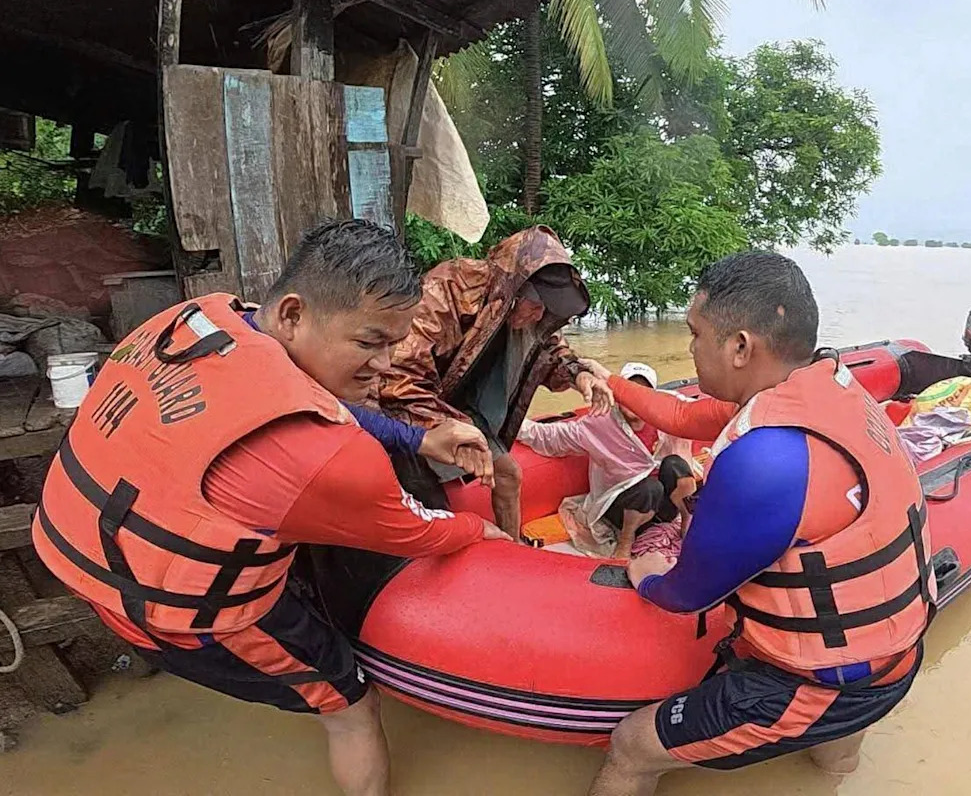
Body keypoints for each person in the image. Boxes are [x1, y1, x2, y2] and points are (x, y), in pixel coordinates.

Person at [31, 219, 511, 796]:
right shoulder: (329, 460)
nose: (386, 364)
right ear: (292, 314)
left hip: (79, 549)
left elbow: (298, 400)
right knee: (351, 703)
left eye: (394, 344)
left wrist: (417, 438)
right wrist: (480, 530)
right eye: (369, 343)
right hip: (172, 612)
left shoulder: (196, 321)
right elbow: (418, 532)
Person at [585, 251, 935, 795]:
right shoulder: (830, 390)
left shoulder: (766, 462)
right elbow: (680, 415)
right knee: (835, 757)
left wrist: (646, 573)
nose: (690, 347)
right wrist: (609, 380)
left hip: (815, 683)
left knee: (632, 746)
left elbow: (687, 595)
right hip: (897, 656)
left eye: (695, 333)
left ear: (740, 347)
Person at [375, 225, 613, 539]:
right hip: (408, 413)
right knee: (428, 510)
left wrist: (578, 374)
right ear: (515, 289)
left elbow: (550, 348)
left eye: (546, 311)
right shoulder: (450, 288)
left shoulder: (528, 316)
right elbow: (396, 377)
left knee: (509, 474)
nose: (538, 316)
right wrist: (450, 429)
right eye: (535, 306)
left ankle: (513, 549)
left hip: (464, 408)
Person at [517, 362, 698, 559]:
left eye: (640, 393)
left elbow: (696, 411)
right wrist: (508, 422)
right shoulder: (599, 422)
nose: (633, 400)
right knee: (649, 488)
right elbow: (548, 437)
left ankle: (687, 523)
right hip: (622, 506)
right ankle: (626, 541)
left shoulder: (665, 416)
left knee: (676, 464)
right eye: (629, 392)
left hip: (663, 506)